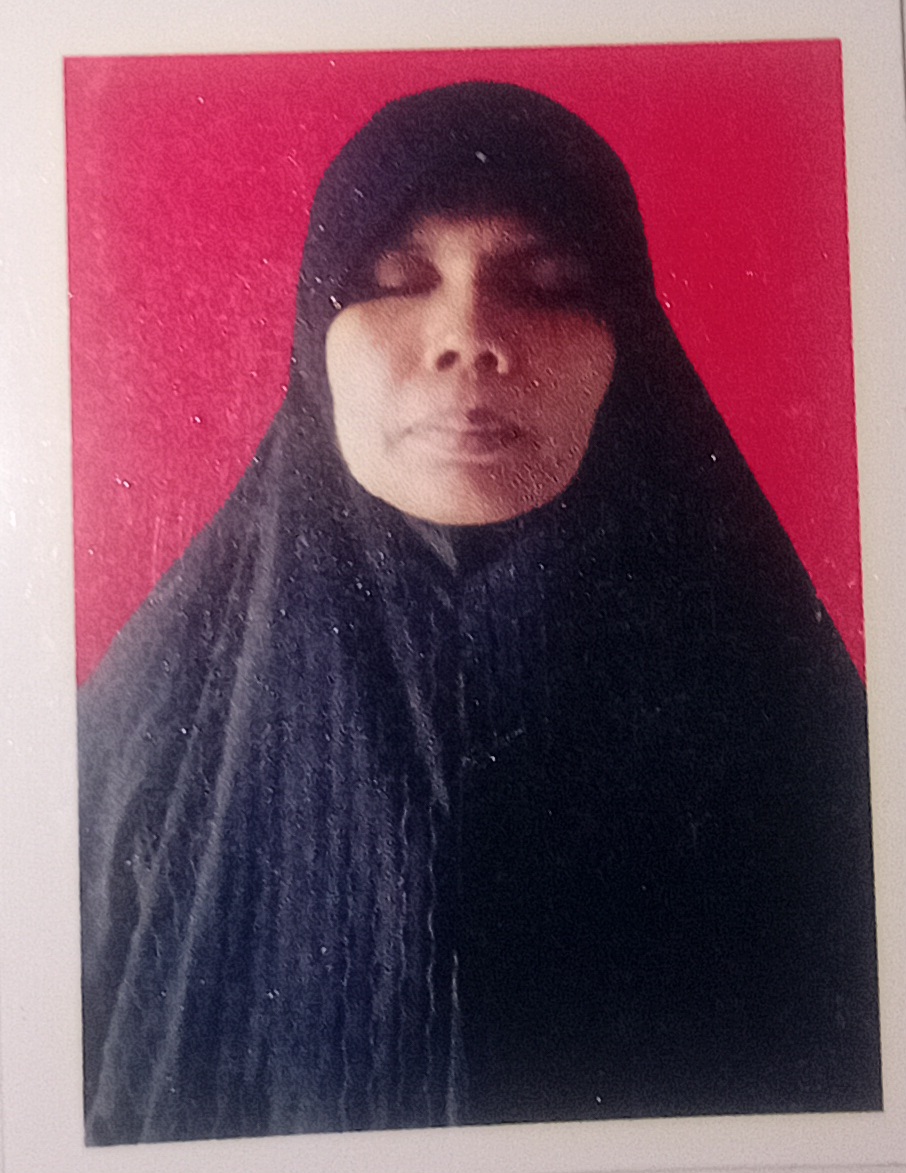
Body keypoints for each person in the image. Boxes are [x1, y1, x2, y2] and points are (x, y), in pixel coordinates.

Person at [78, 81, 881, 1146]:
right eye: (395, 278)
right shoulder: (147, 724)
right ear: (314, 337)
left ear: (629, 348)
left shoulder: (792, 721)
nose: (467, 335)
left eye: (549, 286)